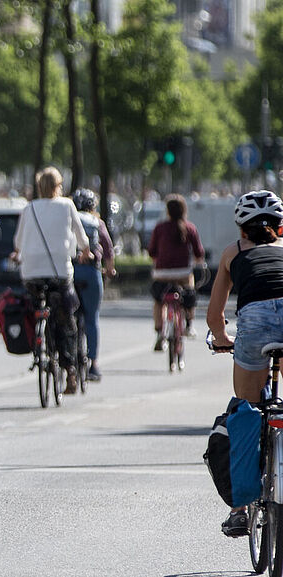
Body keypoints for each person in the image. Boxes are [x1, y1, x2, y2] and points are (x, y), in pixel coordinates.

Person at [206, 189, 283, 537]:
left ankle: (240, 509)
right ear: (279, 228)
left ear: (242, 229)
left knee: (247, 410)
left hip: (253, 328)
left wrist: (222, 340)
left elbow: (214, 316)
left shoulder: (232, 254)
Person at [13, 167, 90, 394]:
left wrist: (19, 253)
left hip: (31, 273)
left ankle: (38, 341)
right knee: (67, 320)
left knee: (36, 306)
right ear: (59, 186)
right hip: (59, 272)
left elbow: (18, 242)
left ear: (38, 186)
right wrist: (85, 251)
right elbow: (82, 238)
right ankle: (71, 370)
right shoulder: (67, 206)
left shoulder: (29, 208)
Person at [148, 194, 204, 350]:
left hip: (162, 274)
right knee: (189, 289)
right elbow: (199, 253)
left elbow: (152, 252)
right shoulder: (190, 228)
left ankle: (160, 332)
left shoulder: (159, 228)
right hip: (183, 273)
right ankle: (189, 324)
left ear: (167, 211)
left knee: (158, 301)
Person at [71, 189, 117, 381]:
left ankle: (71, 360)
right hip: (91, 272)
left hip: (72, 271)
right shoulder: (97, 223)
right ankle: (93, 364)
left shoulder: (70, 220)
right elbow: (108, 251)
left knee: (69, 316)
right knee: (92, 318)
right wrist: (110, 270)